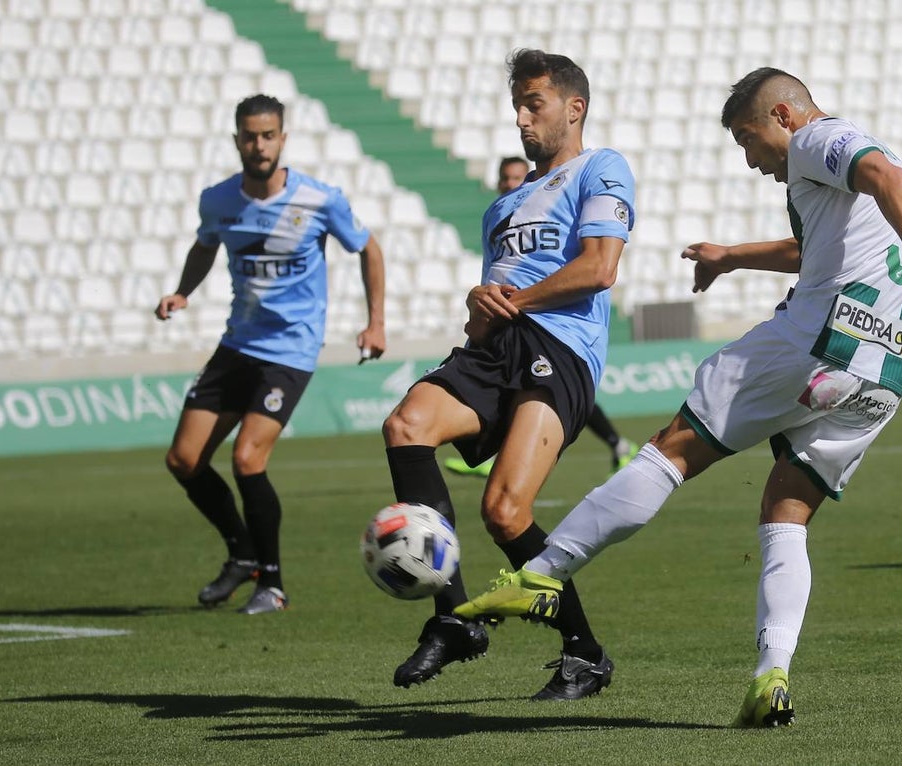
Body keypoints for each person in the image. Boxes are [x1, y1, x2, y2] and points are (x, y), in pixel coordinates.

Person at [455, 67, 902, 725]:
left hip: (817, 336)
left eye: (749, 139)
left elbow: (884, 174)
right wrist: (731, 255)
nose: (751, 160)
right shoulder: (830, 176)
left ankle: (545, 572)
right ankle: (772, 676)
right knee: (786, 508)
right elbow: (817, 247)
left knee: (674, 449)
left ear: (784, 117)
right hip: (883, 367)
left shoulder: (818, 139)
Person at [381, 49, 636, 699]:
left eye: (535, 105)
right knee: (406, 425)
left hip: (561, 347)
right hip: (497, 349)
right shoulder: (502, 209)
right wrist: (478, 306)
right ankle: (452, 620)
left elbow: (600, 268)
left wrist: (513, 301)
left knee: (504, 509)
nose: (522, 119)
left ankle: (584, 654)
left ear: (574, 108)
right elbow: (488, 312)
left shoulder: (601, 168)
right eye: (517, 106)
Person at [156, 94, 386, 615]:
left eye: (267, 135)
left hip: (290, 350)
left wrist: (375, 322)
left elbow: (368, 249)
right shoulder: (218, 200)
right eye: (249, 136)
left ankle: (272, 583)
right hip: (236, 344)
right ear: (236, 139)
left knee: (246, 458)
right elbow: (205, 244)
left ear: (282, 139)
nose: (258, 145)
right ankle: (242, 556)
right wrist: (183, 291)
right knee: (184, 460)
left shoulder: (319, 199)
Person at [444, 156, 639, 480]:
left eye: (517, 177)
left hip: (560, 329)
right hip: (515, 331)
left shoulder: (571, 193)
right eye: (505, 178)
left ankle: (617, 443)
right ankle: (613, 444)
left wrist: (517, 302)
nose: (510, 184)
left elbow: (598, 269)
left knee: (552, 391)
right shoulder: (497, 216)